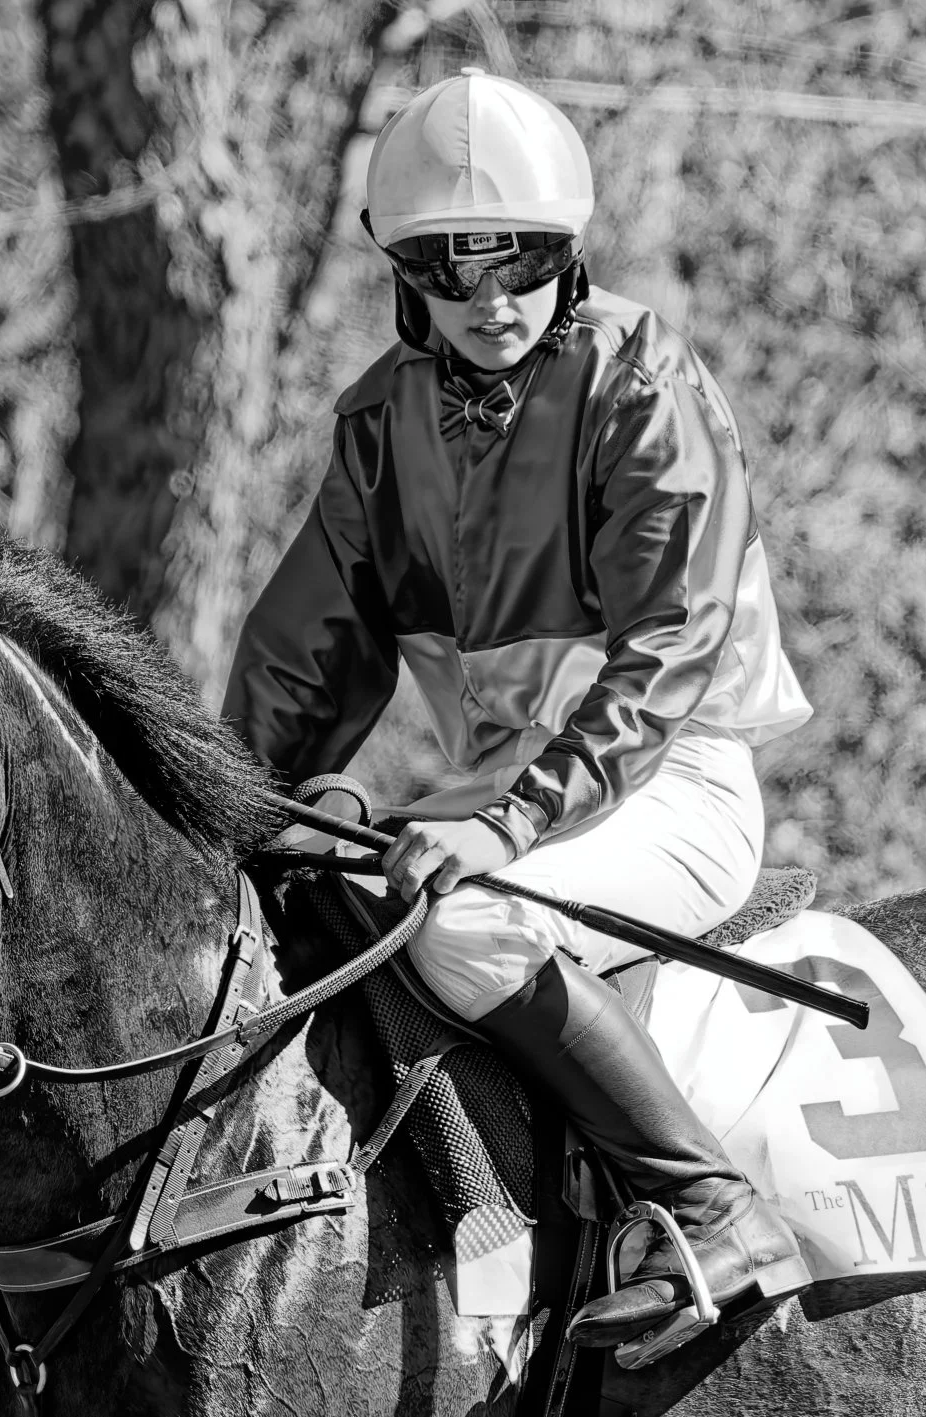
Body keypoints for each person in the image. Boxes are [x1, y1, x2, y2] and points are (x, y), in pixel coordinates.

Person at [222, 69, 815, 1352]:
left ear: (567, 254)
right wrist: (235, 809)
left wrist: (506, 826)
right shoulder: (378, 424)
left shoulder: (640, 376)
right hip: (495, 801)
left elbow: (667, 650)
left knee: (471, 920)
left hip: (671, 784)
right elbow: (300, 658)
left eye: (522, 266)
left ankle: (709, 1205)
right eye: (450, 271)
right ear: (405, 275)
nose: (490, 302)